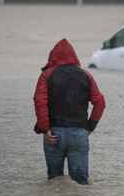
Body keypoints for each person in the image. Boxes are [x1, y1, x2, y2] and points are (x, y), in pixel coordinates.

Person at [33, 39, 105, 185]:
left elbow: (40, 102)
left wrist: (45, 129)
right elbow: (100, 103)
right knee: (81, 184)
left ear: (52, 56)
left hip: (54, 134)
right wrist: (90, 127)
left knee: (54, 182)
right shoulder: (86, 75)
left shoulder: (46, 75)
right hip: (79, 134)